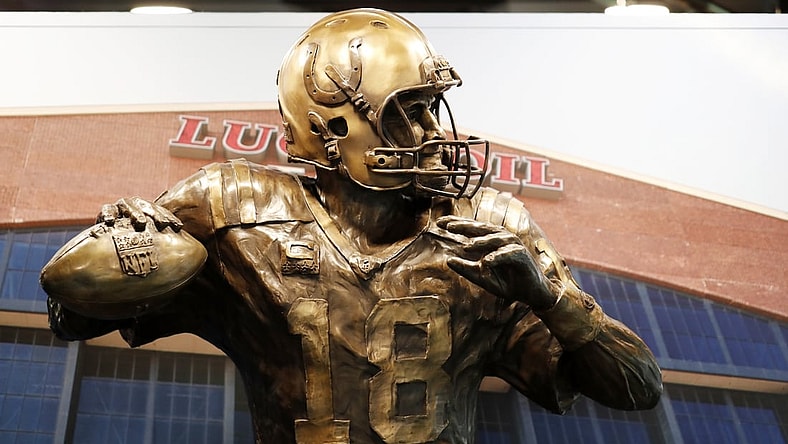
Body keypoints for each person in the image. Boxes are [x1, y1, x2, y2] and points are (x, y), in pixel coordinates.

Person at [46, 8, 661, 444]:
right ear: (334, 129)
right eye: (409, 113)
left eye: (431, 109)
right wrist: (125, 248)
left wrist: (553, 299)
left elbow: (636, 389)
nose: (434, 134)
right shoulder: (233, 209)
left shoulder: (488, 228)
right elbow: (73, 316)